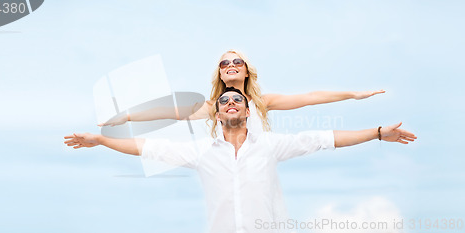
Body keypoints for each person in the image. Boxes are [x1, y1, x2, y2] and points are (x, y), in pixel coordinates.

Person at [66, 87, 416, 233]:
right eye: (223, 102)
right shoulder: (200, 152)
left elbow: (327, 140)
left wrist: (378, 131)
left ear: (249, 111)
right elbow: (145, 148)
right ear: (216, 114)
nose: (230, 103)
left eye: (237, 100)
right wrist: (100, 140)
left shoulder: (272, 145)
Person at [100, 50, 385, 137]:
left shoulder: (263, 103)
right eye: (225, 63)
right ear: (221, 74)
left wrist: (353, 94)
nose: (231, 65)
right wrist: (126, 116)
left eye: (237, 62)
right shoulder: (211, 107)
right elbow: (167, 112)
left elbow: (311, 96)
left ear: (246, 71)